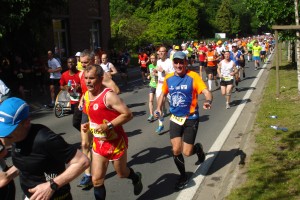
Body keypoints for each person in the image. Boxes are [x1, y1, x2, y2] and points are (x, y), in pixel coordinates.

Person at [0, 97, 90, 200]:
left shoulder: (45, 139)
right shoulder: (15, 137)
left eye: (8, 130)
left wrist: (51, 186)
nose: (2, 135)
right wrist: (8, 175)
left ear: (26, 123)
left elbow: (82, 162)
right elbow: (30, 160)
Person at [83, 64, 143, 199]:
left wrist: (108, 126)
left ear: (100, 79)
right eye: (86, 78)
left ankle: (135, 178)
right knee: (97, 180)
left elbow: (128, 114)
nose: (87, 81)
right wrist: (89, 124)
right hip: (99, 143)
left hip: (116, 142)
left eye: (91, 78)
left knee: (122, 173)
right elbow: (95, 116)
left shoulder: (109, 96)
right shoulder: (86, 95)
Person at [155, 51, 212, 190]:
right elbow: (163, 94)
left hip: (191, 117)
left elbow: (205, 91)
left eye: (182, 62)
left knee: (187, 152)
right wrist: (158, 108)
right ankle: (183, 176)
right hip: (175, 118)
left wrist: (208, 100)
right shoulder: (169, 78)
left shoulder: (193, 76)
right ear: (173, 63)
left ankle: (197, 149)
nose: (179, 65)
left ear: (186, 63)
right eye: (176, 62)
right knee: (175, 149)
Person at [77, 49, 120, 190]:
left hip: (100, 112)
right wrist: (84, 97)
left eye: (86, 62)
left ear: (93, 61)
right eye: (81, 63)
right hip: (86, 110)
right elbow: (86, 90)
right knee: (84, 144)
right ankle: (88, 175)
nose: (83, 65)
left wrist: (101, 97)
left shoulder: (102, 74)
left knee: (103, 141)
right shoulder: (82, 74)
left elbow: (116, 90)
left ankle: (113, 162)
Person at [155, 45, 174, 134]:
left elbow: (172, 75)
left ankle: (174, 122)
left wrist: (162, 71)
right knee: (159, 104)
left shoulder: (170, 62)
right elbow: (158, 72)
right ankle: (160, 124)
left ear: (166, 53)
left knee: (172, 105)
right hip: (160, 84)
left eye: (163, 51)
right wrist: (154, 72)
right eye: (159, 51)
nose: (161, 53)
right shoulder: (158, 61)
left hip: (169, 85)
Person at [59, 57, 82, 131]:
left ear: (76, 64)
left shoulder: (80, 74)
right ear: (67, 64)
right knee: (80, 120)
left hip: (80, 100)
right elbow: (61, 86)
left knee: (75, 122)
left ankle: (86, 135)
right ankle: (87, 135)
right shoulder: (64, 75)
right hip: (72, 101)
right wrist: (65, 88)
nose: (71, 64)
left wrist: (80, 86)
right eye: (69, 62)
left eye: (72, 62)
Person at [147, 53, 158, 122]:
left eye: (153, 58)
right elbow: (149, 74)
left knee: (158, 101)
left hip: (158, 85)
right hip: (152, 85)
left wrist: (156, 74)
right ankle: (151, 115)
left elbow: (162, 75)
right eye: (151, 58)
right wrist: (149, 76)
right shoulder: (150, 66)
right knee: (150, 100)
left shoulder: (159, 65)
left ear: (156, 59)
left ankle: (158, 112)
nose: (152, 60)